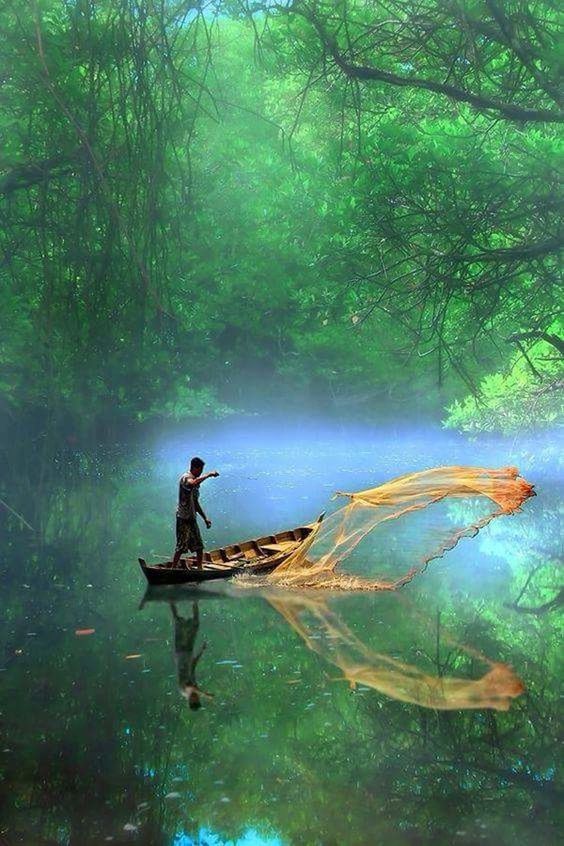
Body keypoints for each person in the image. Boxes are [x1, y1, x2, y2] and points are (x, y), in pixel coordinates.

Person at [172, 456, 219, 569]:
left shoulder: (195, 483)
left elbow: (195, 503)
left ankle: (199, 568)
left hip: (191, 518)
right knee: (181, 546)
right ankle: (173, 568)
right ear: (194, 468)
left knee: (199, 546)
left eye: (202, 471)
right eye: (200, 470)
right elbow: (191, 483)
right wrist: (208, 475)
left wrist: (205, 518)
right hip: (183, 518)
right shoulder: (186, 477)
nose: (201, 472)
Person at [170, 601, 213, 710]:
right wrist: (201, 651)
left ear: (191, 701)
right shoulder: (195, 688)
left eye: (196, 699)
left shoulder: (183, 691)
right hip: (188, 653)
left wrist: (204, 694)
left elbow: (189, 687)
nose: (197, 697)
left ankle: (171, 600)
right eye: (198, 698)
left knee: (178, 623)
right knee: (195, 623)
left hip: (180, 653)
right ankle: (194, 601)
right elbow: (193, 666)